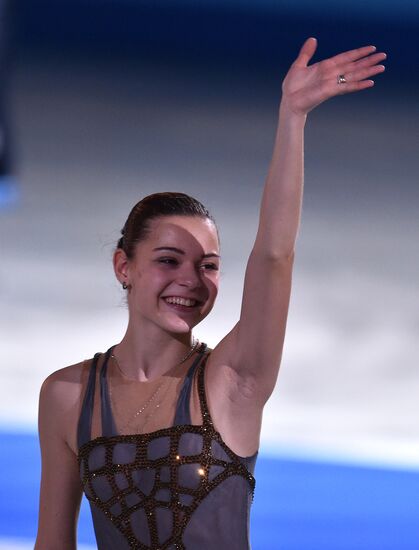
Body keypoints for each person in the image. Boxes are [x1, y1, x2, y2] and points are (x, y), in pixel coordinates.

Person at [35, 38, 386, 549]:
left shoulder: (233, 381)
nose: (191, 281)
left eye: (209, 266)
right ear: (123, 267)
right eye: (168, 261)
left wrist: (292, 118)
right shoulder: (67, 396)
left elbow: (273, 258)